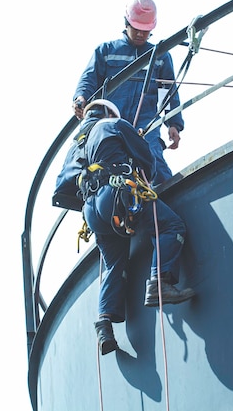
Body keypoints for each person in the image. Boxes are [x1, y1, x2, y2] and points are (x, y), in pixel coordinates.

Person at [77, 99, 195, 355]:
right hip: (117, 194)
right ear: (109, 112)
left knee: (114, 264)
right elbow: (146, 157)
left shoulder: (80, 146)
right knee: (170, 226)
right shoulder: (114, 124)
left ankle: (104, 325)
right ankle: (158, 282)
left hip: (92, 212)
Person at [72, 0, 184, 186]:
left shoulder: (160, 56)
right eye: (137, 29)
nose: (141, 34)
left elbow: (168, 91)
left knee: (155, 165)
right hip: (111, 121)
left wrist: (173, 123)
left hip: (145, 125)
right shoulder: (106, 51)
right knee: (108, 171)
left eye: (146, 31)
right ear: (126, 23)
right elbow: (89, 79)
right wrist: (80, 98)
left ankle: (169, 205)